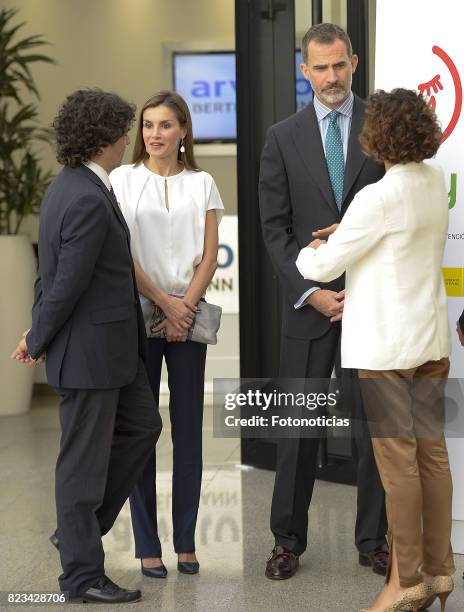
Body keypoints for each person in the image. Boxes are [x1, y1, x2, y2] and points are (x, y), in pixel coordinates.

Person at [296, 88, 454, 612]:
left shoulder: (376, 197)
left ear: (376, 137)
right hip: (431, 342)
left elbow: (321, 268)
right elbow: (395, 236)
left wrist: (314, 247)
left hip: (387, 352)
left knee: (398, 467)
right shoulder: (434, 183)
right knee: (432, 457)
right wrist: (354, 231)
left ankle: (404, 581)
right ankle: (440, 571)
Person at [11, 89, 162, 604]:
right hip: (91, 356)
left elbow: (48, 275)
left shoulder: (75, 187)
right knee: (81, 467)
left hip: (113, 354)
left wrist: (38, 329)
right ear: (103, 140)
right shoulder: (84, 196)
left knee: (145, 426)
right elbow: (65, 282)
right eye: (123, 131)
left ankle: (76, 533)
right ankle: (80, 577)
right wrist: (38, 336)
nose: (128, 139)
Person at [258, 22, 387, 580]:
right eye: (321, 67)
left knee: (372, 431)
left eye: (340, 65)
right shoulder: (281, 137)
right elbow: (274, 229)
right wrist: (311, 292)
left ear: (353, 63)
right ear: (304, 70)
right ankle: (287, 541)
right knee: (297, 433)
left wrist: (357, 287)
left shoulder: (381, 129)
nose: (331, 77)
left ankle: (373, 541)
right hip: (310, 311)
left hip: (373, 304)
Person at [110, 91, 224, 578]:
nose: (154, 134)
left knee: (188, 435)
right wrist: (164, 302)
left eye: (165, 125)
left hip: (186, 317)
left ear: (183, 132)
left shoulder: (203, 183)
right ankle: (147, 546)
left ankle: (186, 542)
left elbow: (211, 252)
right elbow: (122, 253)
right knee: (141, 430)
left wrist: (184, 308)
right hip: (139, 314)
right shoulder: (121, 180)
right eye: (148, 125)